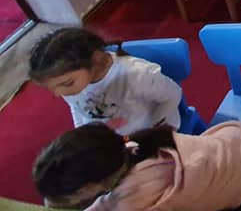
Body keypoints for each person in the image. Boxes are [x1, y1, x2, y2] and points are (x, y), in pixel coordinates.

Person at [33, 120, 241, 211]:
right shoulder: (134, 143)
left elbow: (119, 202)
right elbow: (112, 195)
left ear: (91, 186)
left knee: (215, 205)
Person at [29, 27, 182, 135]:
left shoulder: (136, 75)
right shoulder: (68, 86)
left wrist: (155, 130)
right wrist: (82, 133)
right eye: (52, 88)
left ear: (96, 59)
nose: (58, 94)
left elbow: (173, 94)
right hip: (111, 139)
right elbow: (76, 107)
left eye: (67, 83)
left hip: (149, 132)